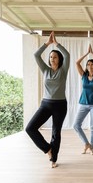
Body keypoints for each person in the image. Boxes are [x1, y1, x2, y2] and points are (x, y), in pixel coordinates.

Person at [25, 31, 70, 168]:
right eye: (50, 57)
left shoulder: (63, 70)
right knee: (30, 128)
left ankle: (53, 159)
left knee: (56, 132)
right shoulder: (45, 70)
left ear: (59, 59)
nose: (52, 59)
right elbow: (36, 55)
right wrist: (47, 44)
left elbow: (67, 55)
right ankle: (48, 149)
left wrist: (56, 44)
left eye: (54, 57)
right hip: (46, 104)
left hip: (60, 105)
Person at [73, 44, 93, 155]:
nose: (89, 66)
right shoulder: (83, 76)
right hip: (83, 104)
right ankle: (86, 143)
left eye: (92, 64)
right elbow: (77, 63)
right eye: (88, 64)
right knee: (76, 125)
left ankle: (91, 147)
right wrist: (86, 54)